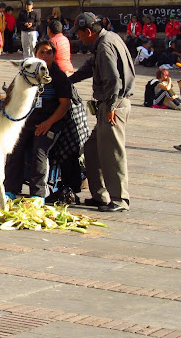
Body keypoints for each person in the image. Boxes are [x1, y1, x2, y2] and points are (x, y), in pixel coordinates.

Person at [69, 12, 135, 212]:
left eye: (79, 34)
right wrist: (68, 80)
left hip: (112, 104)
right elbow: (90, 68)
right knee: (92, 149)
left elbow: (113, 80)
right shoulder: (107, 39)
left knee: (112, 153)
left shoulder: (105, 45)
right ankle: (100, 196)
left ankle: (119, 199)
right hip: (109, 104)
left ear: (88, 31)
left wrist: (111, 107)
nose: (78, 37)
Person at [5, 40, 72, 200]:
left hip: (51, 122)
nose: (45, 55)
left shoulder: (58, 76)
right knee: (14, 148)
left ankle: (37, 194)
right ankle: (10, 190)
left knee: (39, 152)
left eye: (49, 52)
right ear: (35, 54)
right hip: (26, 121)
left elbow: (64, 105)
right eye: (42, 52)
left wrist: (48, 124)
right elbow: (11, 95)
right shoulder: (26, 73)